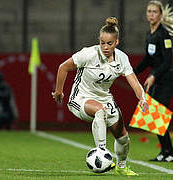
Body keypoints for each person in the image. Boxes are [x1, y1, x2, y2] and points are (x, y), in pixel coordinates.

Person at [52, 17, 149, 176]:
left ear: (116, 42)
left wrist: (142, 99)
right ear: (99, 40)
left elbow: (134, 82)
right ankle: (102, 152)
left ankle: (122, 166)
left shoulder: (122, 59)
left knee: (123, 138)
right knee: (100, 110)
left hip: (105, 99)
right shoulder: (88, 54)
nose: (105, 46)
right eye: (102, 42)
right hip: (80, 98)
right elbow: (63, 67)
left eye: (109, 43)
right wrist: (59, 91)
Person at [133, 0, 173, 162]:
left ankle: (171, 153)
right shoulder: (150, 35)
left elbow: (167, 61)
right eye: (149, 11)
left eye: (154, 12)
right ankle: (166, 152)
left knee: (156, 115)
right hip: (156, 80)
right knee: (153, 117)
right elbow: (148, 59)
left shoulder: (164, 34)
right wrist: (132, 72)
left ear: (160, 15)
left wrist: (153, 75)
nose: (151, 14)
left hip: (167, 80)